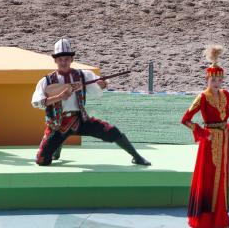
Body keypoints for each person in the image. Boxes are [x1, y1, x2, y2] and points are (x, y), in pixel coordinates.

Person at [31, 38, 150, 167]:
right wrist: (59, 97)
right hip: (57, 124)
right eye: (60, 59)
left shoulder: (83, 75)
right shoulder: (46, 81)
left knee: (112, 131)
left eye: (66, 59)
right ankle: (58, 144)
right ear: (55, 60)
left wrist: (103, 84)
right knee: (42, 161)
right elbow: (36, 103)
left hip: (80, 120)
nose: (63, 62)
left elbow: (97, 89)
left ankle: (136, 156)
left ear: (72, 59)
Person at [181, 45, 229, 228]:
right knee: (208, 177)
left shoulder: (226, 94)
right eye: (213, 80)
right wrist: (201, 132)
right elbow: (185, 119)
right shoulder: (202, 97)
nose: (216, 83)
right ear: (207, 79)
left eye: (219, 80)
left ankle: (220, 219)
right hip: (209, 141)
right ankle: (206, 221)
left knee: (222, 177)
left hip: (224, 140)